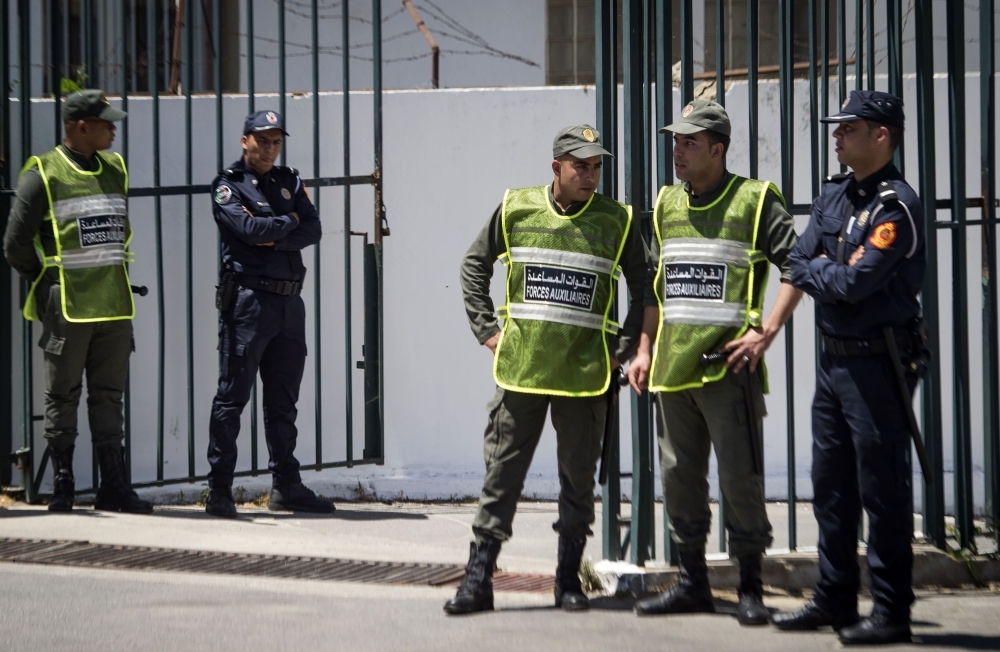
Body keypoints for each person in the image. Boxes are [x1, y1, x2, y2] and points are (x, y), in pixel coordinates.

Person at [446, 125, 649, 615]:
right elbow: (475, 262)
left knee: (578, 481)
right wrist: (486, 329)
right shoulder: (517, 206)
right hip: (522, 370)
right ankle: (478, 580)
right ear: (556, 168)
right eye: (581, 166)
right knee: (502, 476)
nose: (591, 175)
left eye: (597, 166)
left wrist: (622, 348)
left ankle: (568, 581)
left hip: (585, 376)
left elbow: (645, 286)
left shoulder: (616, 220)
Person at [627, 100, 801, 625]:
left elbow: (798, 265)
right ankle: (692, 584)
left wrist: (766, 330)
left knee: (739, 480)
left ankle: (750, 588)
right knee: (679, 479)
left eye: (689, 143)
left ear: (718, 149)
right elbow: (656, 288)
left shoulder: (753, 200)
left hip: (728, 370)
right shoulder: (664, 204)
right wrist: (643, 349)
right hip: (672, 370)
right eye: (676, 141)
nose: (677, 151)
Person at [771, 90, 925, 646]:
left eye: (849, 128)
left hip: (877, 367)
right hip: (833, 364)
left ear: (881, 136)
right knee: (830, 488)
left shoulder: (896, 207)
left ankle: (891, 611)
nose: (837, 136)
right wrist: (824, 271)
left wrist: (822, 271)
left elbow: (854, 283)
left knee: (881, 490)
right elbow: (795, 257)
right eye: (837, 129)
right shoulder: (836, 193)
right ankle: (834, 598)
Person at [3, 89, 152, 514]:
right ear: (80, 126)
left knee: (109, 396)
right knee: (62, 396)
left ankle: (115, 487)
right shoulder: (43, 174)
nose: (113, 128)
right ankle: (64, 486)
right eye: (106, 122)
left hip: (114, 305)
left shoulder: (115, 168)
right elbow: (14, 245)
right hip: (67, 307)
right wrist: (48, 281)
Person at [205, 110, 331, 518]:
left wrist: (276, 229)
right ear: (245, 141)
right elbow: (248, 231)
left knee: (283, 402)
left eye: (276, 142)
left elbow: (312, 230)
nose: (270, 149)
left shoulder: (289, 180)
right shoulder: (228, 185)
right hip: (248, 304)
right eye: (263, 141)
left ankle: (286, 486)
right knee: (232, 398)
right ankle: (220, 490)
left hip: (289, 305)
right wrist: (286, 223)